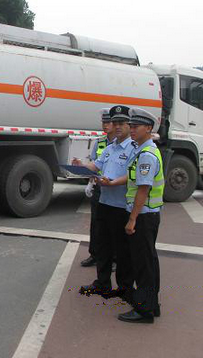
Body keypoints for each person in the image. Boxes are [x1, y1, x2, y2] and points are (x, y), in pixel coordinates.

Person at [74, 105, 137, 296]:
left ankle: (125, 289)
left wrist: (114, 182)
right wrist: (82, 166)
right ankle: (102, 283)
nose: (117, 127)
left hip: (121, 206)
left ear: (129, 125)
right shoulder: (109, 148)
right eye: (114, 123)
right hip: (104, 202)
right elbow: (96, 165)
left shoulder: (134, 148)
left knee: (122, 250)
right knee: (102, 247)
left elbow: (132, 175)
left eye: (121, 123)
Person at [111, 108, 163, 324]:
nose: (131, 130)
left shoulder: (147, 155)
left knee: (143, 265)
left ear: (148, 129)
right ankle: (152, 305)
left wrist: (132, 219)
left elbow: (143, 189)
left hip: (143, 216)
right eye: (130, 126)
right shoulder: (143, 150)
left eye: (136, 126)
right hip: (147, 215)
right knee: (149, 261)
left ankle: (144, 311)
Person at [80, 108, 115, 267]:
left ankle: (114, 258)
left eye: (108, 122)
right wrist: (89, 180)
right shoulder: (100, 142)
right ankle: (94, 254)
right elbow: (94, 164)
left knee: (112, 226)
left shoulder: (122, 143)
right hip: (99, 187)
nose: (105, 125)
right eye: (103, 122)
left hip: (114, 188)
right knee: (96, 224)